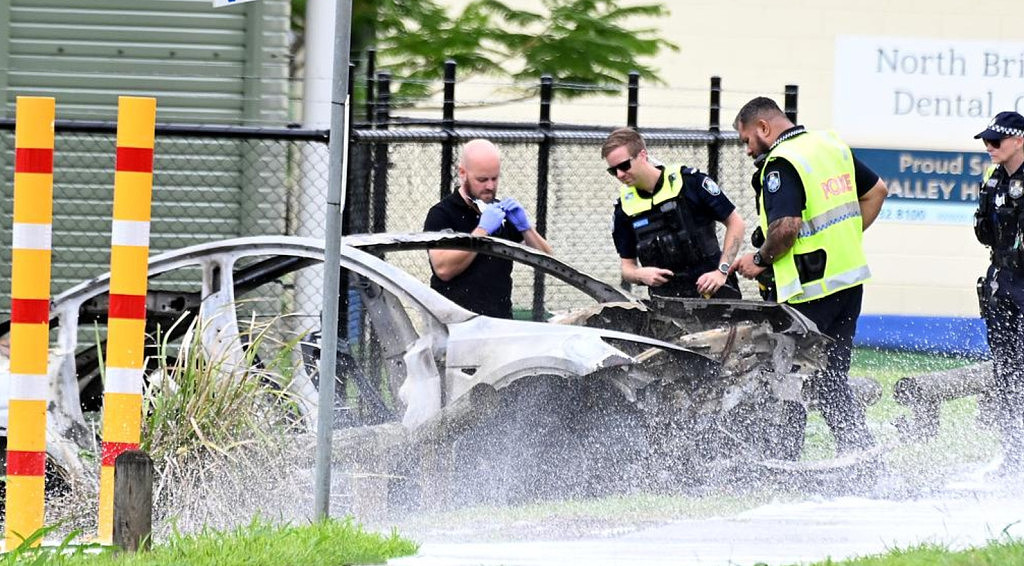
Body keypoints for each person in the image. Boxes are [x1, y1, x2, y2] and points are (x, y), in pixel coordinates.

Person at [731, 97, 888, 456]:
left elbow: (786, 227)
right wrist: (844, 237)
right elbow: (877, 191)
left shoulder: (781, 164)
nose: (747, 150)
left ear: (763, 128)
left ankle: (783, 460)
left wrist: (759, 259)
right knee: (831, 378)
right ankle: (861, 456)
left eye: (746, 141)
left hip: (807, 292)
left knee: (789, 377)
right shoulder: (829, 145)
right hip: (847, 282)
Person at [601, 127, 745, 299]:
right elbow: (627, 268)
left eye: (624, 166)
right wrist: (640, 275)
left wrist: (721, 272)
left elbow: (736, 223)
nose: (620, 174)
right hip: (667, 300)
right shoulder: (623, 208)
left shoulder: (690, 182)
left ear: (642, 155)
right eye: (613, 170)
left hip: (713, 291)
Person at [423, 138, 552, 319]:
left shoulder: (501, 214)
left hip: (498, 322)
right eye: (482, 180)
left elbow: (548, 262)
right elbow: (443, 269)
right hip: (454, 325)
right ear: (463, 173)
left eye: (494, 178)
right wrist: (481, 232)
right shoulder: (442, 214)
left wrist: (526, 228)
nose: (490, 186)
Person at [972, 111, 1024, 475]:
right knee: (1006, 370)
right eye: (987, 141)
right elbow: (986, 233)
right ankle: (1012, 453)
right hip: (1002, 278)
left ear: (1019, 140)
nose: (989, 147)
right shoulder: (993, 181)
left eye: (997, 141)